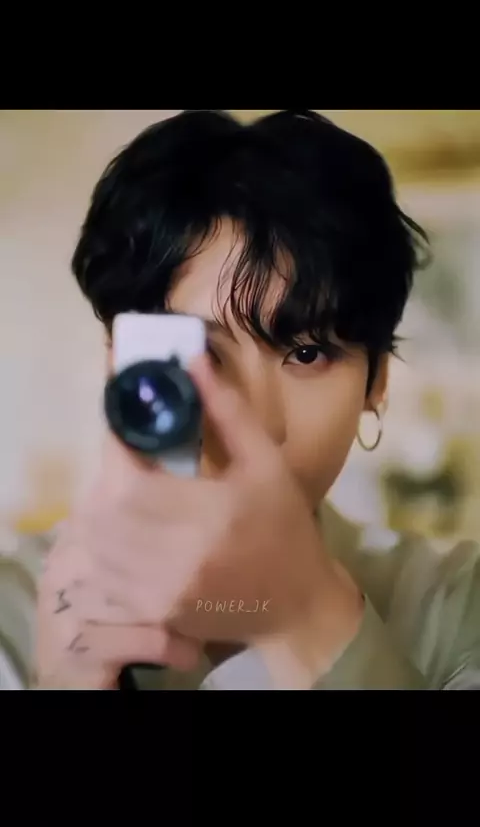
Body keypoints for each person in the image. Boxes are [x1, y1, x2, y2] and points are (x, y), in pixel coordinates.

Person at [2, 109, 479, 689]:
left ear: (376, 380)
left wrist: (308, 617)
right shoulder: (15, 611)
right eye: (200, 355)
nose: (257, 425)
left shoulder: (457, 606)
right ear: (120, 365)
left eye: (307, 354)